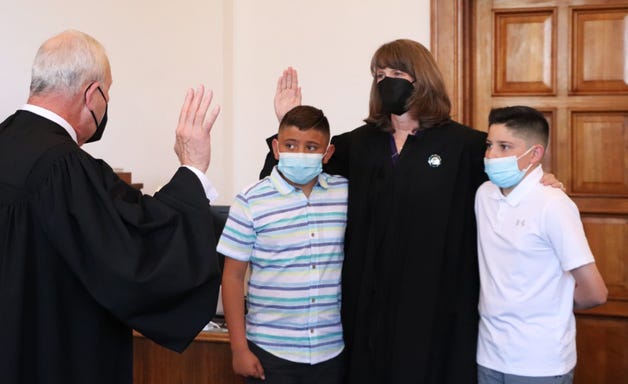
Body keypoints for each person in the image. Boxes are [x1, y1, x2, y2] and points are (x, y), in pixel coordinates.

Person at [262, 40, 562, 383]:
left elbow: (510, 175)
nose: (386, 81)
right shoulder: (359, 144)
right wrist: (286, 122)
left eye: (396, 73)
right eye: (379, 74)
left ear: (422, 79)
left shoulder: (463, 145)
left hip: (436, 302)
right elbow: (290, 174)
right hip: (368, 303)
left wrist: (540, 180)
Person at [0, 30, 222, 384]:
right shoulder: (64, 168)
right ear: (93, 94)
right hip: (51, 365)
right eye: (109, 93)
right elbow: (138, 254)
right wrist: (192, 169)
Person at [476, 106, 607, 384]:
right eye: (489, 145)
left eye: (504, 147)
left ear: (534, 154)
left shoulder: (553, 204)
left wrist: (551, 302)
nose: (491, 155)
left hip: (540, 362)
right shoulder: (483, 195)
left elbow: (595, 293)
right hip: (488, 354)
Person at [219, 105, 348, 383]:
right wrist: (238, 348)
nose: (300, 154)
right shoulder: (250, 200)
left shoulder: (345, 194)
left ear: (327, 154)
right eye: (291, 145)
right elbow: (232, 277)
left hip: (331, 352)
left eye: (312, 147)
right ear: (276, 149)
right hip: (270, 353)